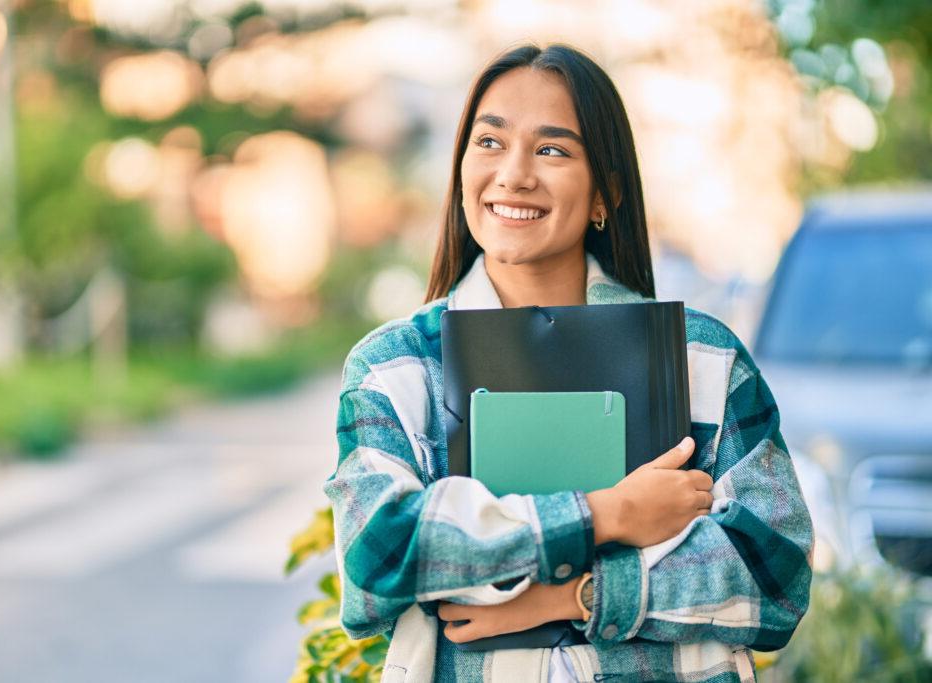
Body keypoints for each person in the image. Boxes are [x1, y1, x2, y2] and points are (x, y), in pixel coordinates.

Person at [324, 43, 813, 682]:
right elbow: (380, 556)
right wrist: (610, 514)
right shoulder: (397, 368)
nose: (515, 174)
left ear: (606, 191)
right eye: (490, 143)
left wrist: (573, 596)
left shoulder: (702, 358)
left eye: (552, 150)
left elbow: (776, 577)